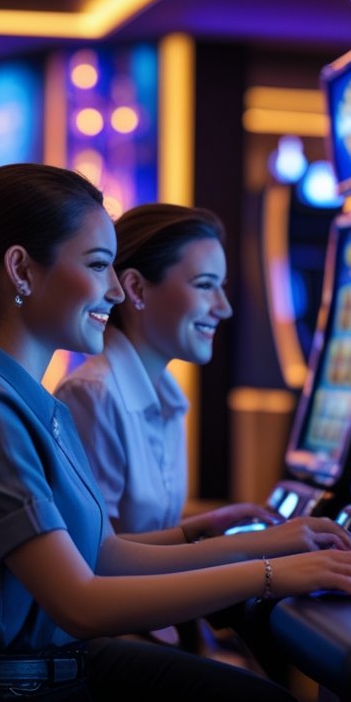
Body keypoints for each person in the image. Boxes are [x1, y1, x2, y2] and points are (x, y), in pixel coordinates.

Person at [0, 164, 351, 702]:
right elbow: (83, 602)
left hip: (46, 675)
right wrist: (270, 572)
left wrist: (268, 543)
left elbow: (103, 555)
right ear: (20, 269)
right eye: (98, 267)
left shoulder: (20, 398)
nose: (116, 291)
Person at [55, 204, 273, 544]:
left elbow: (138, 535)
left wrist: (202, 528)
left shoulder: (168, 397)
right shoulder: (91, 395)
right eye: (205, 285)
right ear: (137, 290)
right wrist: (257, 557)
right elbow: (96, 557)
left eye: (221, 286)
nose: (224, 307)